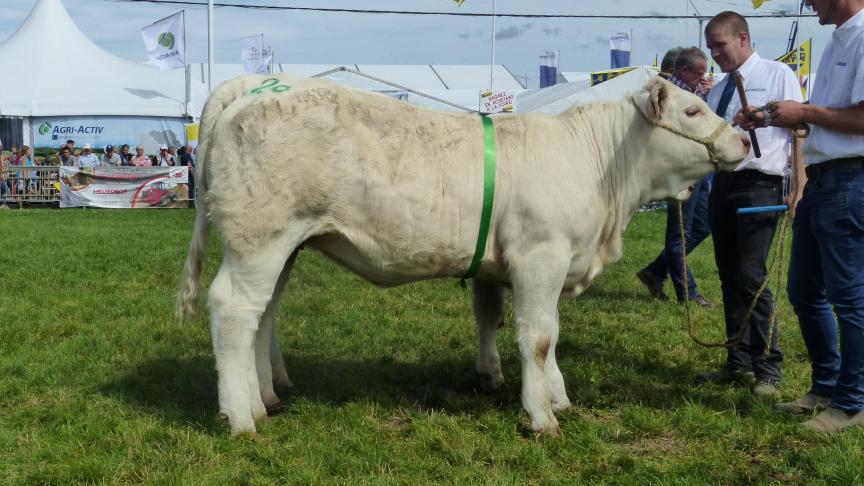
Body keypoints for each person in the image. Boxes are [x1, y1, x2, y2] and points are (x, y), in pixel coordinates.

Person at [736, 0, 864, 432]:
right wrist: (773, 114)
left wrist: (804, 112)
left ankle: (852, 402)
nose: (806, 2)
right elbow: (830, 116)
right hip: (824, 180)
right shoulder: (840, 39)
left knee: (850, 299)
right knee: (806, 292)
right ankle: (827, 386)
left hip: (851, 179)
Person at [693, 11, 804, 397]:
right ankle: (737, 361)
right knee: (727, 275)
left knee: (751, 273)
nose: (714, 54)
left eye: (719, 45)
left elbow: (799, 129)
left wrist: (798, 182)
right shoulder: (717, 90)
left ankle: (768, 367)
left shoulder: (777, 74)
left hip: (762, 183)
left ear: (742, 38)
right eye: (710, 47)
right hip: (723, 183)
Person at [636, 47, 717, 309]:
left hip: (700, 170)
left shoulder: (692, 93)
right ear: (683, 71)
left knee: (704, 224)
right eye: (700, 73)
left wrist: (707, 92)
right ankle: (689, 294)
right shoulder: (667, 96)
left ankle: (655, 271)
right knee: (679, 234)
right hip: (682, 172)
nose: (704, 77)